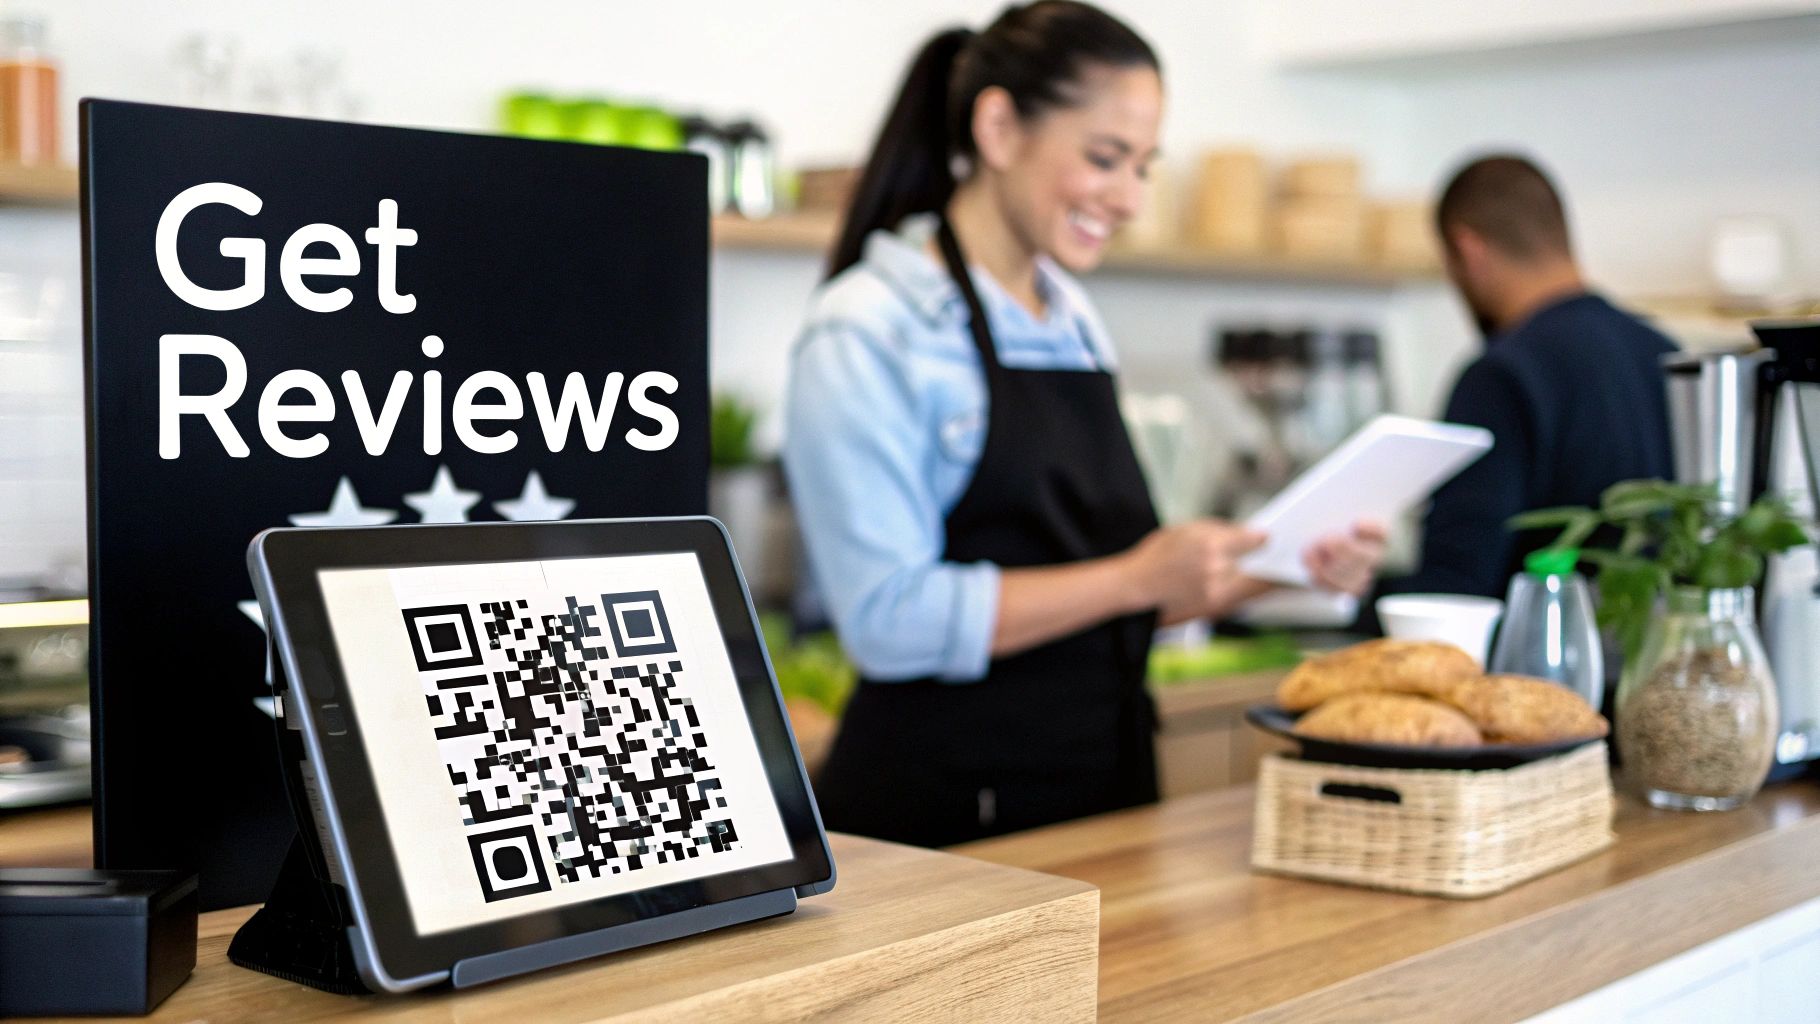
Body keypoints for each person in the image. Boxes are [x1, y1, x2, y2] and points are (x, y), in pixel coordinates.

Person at [781, 1, 1384, 848]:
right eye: (1106, 159)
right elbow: (889, 622)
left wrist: (1290, 571)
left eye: (1144, 167)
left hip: (1105, 783)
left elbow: (1107, 589)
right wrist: (1137, 578)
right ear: (998, 127)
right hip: (949, 815)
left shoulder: (1071, 318)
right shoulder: (872, 327)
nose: (1130, 199)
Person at [1393, 154, 1678, 599]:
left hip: (1536, 663)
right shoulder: (1664, 351)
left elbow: (1456, 587)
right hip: (1661, 657)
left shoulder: (1500, 375)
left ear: (1468, 250)